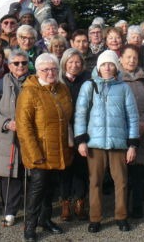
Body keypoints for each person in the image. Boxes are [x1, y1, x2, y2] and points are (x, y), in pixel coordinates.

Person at [74, 50, 139, 233]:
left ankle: (121, 216)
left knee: (121, 182)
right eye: (104, 64)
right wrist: (81, 140)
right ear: (98, 67)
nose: (107, 67)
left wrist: (132, 144)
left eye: (110, 64)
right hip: (94, 144)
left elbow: (132, 117)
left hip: (119, 144)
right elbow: (80, 114)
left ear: (116, 67)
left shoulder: (124, 87)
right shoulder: (89, 86)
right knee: (95, 181)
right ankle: (95, 218)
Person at [16, 53, 74, 242]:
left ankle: (46, 219)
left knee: (50, 188)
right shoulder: (29, 92)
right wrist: (34, 154)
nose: (50, 73)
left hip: (58, 149)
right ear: (38, 71)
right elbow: (24, 127)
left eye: (54, 69)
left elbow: (67, 119)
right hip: (39, 151)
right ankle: (29, 227)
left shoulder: (62, 89)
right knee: (37, 190)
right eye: (45, 69)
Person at [0, 49, 30, 227]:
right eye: (16, 63)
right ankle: (10, 210)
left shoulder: (35, 82)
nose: (20, 66)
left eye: (24, 63)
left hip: (29, 135)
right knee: (9, 173)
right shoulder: (1, 84)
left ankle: (30, 208)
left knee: (30, 173)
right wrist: (6, 123)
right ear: (9, 65)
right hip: (7, 136)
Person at [119, 44, 144, 216]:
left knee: (138, 170)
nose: (131, 60)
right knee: (122, 171)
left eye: (134, 57)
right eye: (128, 57)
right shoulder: (115, 78)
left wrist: (143, 122)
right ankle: (122, 207)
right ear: (121, 59)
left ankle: (137, 206)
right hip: (121, 130)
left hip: (141, 129)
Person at [58, 48, 91, 222]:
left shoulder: (88, 80)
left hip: (83, 130)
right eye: (70, 62)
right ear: (64, 64)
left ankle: (80, 202)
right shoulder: (59, 80)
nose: (74, 65)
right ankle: (65, 204)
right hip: (63, 130)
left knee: (81, 169)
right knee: (65, 169)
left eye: (77, 62)